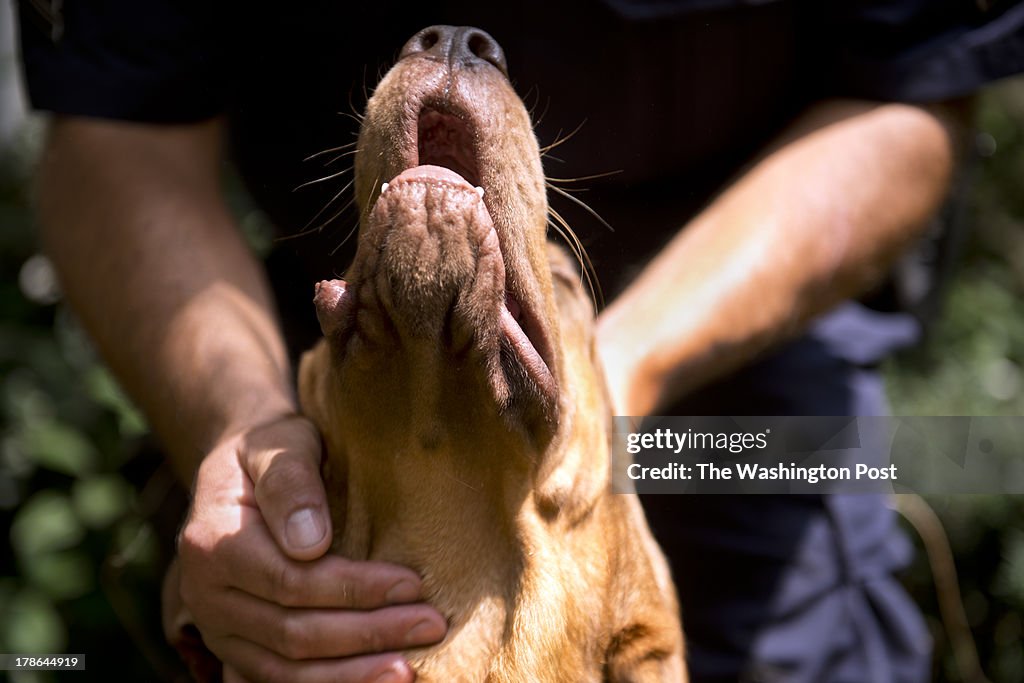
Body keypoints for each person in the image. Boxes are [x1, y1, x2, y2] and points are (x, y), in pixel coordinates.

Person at [17, 1, 1024, 681]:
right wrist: (235, 422)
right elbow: (115, 129)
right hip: (319, 312)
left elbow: (909, 103)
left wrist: (609, 366)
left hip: (749, 363)